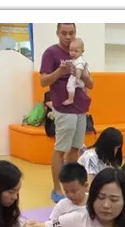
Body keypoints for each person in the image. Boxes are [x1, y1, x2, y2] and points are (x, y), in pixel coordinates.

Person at [40, 23, 94, 203]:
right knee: (61, 148)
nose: (68, 36)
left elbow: (91, 84)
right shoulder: (51, 53)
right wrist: (60, 71)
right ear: (57, 33)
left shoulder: (79, 54)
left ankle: (71, 186)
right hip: (63, 108)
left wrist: (83, 75)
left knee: (75, 148)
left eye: (71, 33)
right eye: (64, 33)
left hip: (81, 108)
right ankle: (57, 188)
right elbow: (43, 81)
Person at [61, 38, 88, 106]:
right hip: (81, 81)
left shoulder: (80, 61)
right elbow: (72, 63)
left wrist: (77, 78)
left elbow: (79, 69)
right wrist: (65, 63)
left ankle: (70, 99)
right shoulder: (75, 59)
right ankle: (85, 91)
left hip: (77, 78)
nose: (73, 53)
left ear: (82, 51)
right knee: (81, 87)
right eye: (71, 50)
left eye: (76, 51)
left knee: (70, 85)